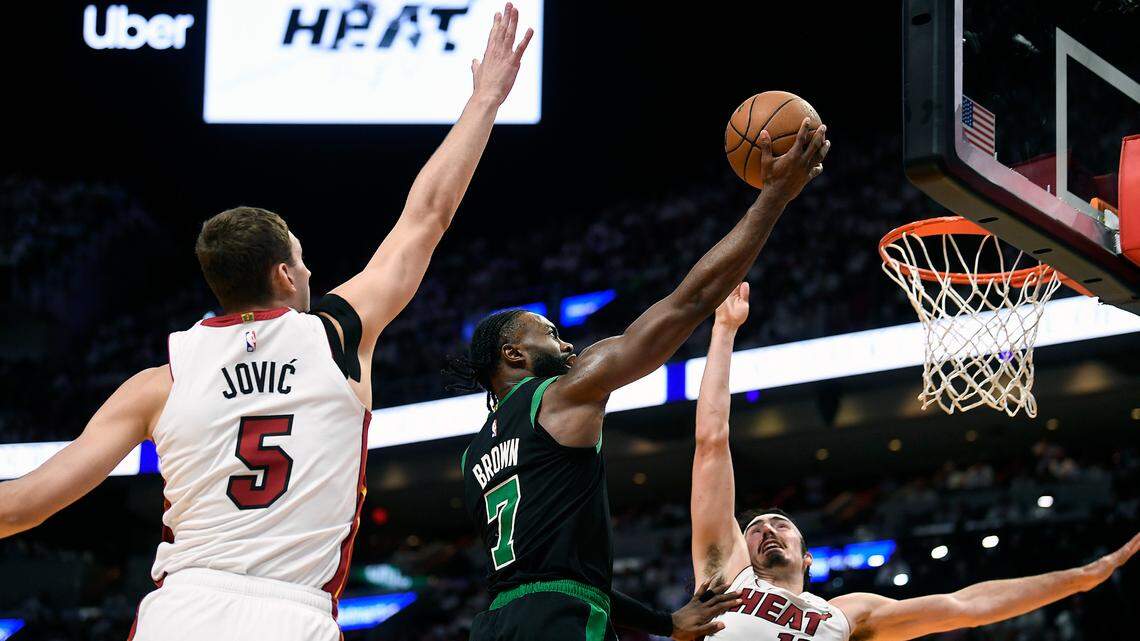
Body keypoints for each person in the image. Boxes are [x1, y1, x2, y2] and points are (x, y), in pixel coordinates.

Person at [0, 5, 534, 640]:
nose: (310, 275)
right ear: (284, 274)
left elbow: (25, 506)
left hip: (182, 609)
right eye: (303, 262)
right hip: (289, 613)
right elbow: (428, 215)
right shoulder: (337, 334)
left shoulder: (158, 382)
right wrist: (486, 100)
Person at [448, 119, 831, 639]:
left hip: (494, 625)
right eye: (552, 334)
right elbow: (688, 303)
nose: (567, 345)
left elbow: (552, 573)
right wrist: (775, 198)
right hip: (560, 623)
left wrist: (662, 622)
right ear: (514, 355)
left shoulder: (473, 458)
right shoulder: (560, 393)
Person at [689, 282, 1140, 641]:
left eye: (780, 524)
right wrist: (723, 331)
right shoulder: (727, 575)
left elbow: (967, 606)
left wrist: (1081, 577)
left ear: (809, 559)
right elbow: (712, 442)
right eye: (756, 529)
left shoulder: (848, 614)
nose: (768, 529)